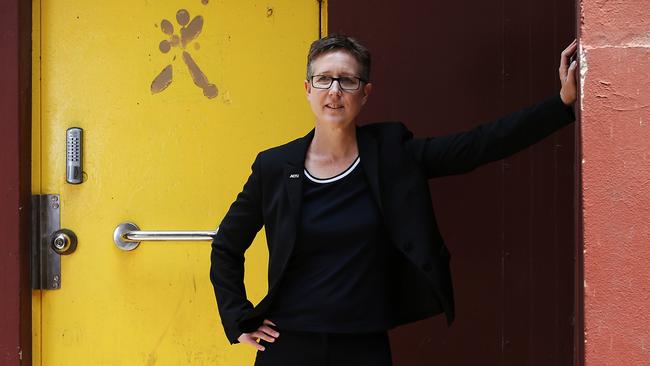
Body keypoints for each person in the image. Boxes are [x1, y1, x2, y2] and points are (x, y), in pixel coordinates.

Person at [210, 34, 578, 365]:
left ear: (365, 92)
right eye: (324, 79)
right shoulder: (275, 167)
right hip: (288, 345)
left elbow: (477, 146)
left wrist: (560, 104)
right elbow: (227, 244)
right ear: (307, 88)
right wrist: (238, 317)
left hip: (362, 345)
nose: (334, 90)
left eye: (347, 80)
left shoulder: (392, 154)